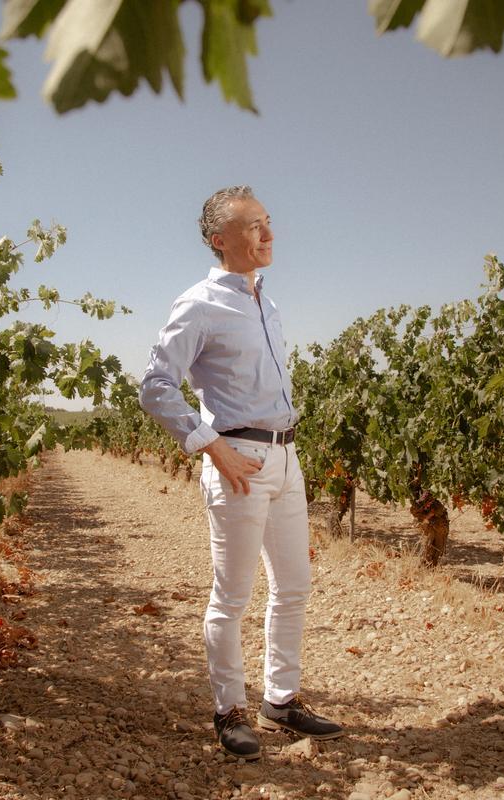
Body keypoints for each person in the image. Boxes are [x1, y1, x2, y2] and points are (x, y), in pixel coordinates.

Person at [139, 186, 343, 760]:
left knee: (294, 586)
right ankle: (230, 710)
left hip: (286, 458)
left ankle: (282, 700)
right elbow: (155, 386)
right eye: (254, 226)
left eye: (268, 222)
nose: (268, 234)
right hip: (238, 464)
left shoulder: (265, 302)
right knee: (232, 596)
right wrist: (209, 445)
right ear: (219, 241)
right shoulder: (200, 303)